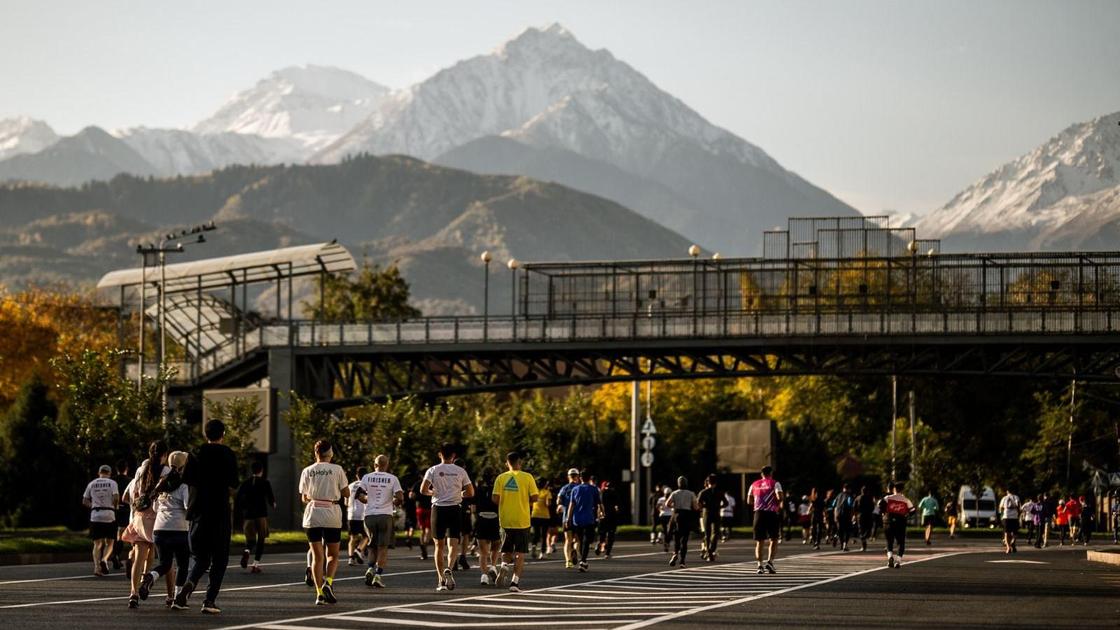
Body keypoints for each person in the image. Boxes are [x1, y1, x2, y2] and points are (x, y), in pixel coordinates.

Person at [175, 421, 239, 613]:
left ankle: (187, 588)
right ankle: (209, 601)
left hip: (198, 511)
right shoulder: (228, 453)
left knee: (201, 558)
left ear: (205, 435)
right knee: (220, 559)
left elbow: (186, 478)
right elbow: (234, 482)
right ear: (223, 434)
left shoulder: (196, 452)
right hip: (219, 510)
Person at [299, 440, 349, 606]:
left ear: (316, 453)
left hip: (313, 513)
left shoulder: (307, 470)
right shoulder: (337, 469)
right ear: (330, 453)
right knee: (332, 554)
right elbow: (346, 492)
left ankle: (319, 594)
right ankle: (328, 582)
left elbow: (304, 497)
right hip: (331, 512)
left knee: (317, 556)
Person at [420, 443, 474, 592]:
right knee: (453, 544)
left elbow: (423, 490)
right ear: (454, 456)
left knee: (439, 545)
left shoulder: (433, 470)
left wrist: (434, 493)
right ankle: (449, 568)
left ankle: (440, 579)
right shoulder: (460, 470)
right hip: (455, 509)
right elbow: (470, 492)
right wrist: (459, 494)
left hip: (438, 509)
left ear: (440, 454)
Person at [139, 451, 190, 608]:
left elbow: (154, 507)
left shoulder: (161, 483)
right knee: (182, 564)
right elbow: (188, 507)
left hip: (160, 529)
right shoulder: (183, 485)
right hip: (179, 529)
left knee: (165, 564)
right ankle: (177, 598)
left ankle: (151, 576)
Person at [124, 441, 168, 609]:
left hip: (140, 517)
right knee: (164, 558)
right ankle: (168, 594)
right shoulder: (167, 471)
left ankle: (133, 593)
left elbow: (133, 493)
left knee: (139, 557)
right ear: (164, 455)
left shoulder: (141, 470)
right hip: (159, 518)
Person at [493, 451, 538, 592]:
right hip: (522, 520)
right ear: (520, 462)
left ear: (507, 463)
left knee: (506, 549)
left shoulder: (501, 478)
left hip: (506, 520)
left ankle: (504, 565)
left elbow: (495, 499)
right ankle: (514, 583)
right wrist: (523, 499)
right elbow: (535, 497)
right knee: (520, 553)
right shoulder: (528, 477)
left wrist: (507, 498)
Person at [361, 455, 403, 589]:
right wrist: (392, 503)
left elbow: (360, 495)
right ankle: (378, 576)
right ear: (387, 465)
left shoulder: (366, 477)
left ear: (375, 465)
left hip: (369, 516)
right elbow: (400, 496)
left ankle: (369, 569)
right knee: (383, 547)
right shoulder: (392, 478)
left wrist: (369, 500)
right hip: (385, 515)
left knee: (372, 545)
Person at [237, 461, 276, 574]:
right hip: (261, 515)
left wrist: (244, 509)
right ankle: (255, 565)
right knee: (261, 539)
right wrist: (273, 503)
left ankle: (247, 550)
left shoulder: (245, 483)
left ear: (252, 470)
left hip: (248, 515)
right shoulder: (265, 482)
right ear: (261, 471)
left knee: (250, 540)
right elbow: (271, 498)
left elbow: (239, 497)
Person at [83, 464, 119, 577]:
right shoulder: (112, 483)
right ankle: (104, 559)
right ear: (109, 473)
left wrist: (93, 506)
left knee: (97, 544)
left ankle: (97, 568)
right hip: (109, 514)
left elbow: (84, 500)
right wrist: (115, 506)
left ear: (99, 473)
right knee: (110, 542)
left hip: (95, 515)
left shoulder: (92, 484)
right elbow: (116, 496)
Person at [748, 466, 784, 574]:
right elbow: (780, 497)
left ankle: (759, 565)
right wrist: (776, 501)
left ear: (761, 474)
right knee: (774, 539)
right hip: (771, 513)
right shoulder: (775, 483)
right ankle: (770, 562)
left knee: (760, 541)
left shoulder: (754, 484)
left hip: (758, 513)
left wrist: (759, 502)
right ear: (771, 473)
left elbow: (749, 500)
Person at [565, 469, 601, 572]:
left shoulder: (575, 489)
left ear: (580, 478)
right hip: (589, 519)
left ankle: (579, 556)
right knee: (587, 540)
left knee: (580, 540)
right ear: (590, 478)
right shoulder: (594, 489)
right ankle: (583, 561)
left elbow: (571, 505)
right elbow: (599, 503)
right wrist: (602, 512)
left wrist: (568, 518)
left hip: (577, 519)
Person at [473, 474, 502, 585]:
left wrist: (477, 520)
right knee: (496, 546)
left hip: (481, 519)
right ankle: (493, 566)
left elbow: (473, 508)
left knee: (483, 552)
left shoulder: (478, 490)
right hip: (494, 519)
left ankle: (484, 576)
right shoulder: (497, 491)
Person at [880, 481, 914, 568]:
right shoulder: (906, 500)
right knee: (901, 542)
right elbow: (913, 510)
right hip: (900, 522)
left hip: (888, 521)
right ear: (902, 490)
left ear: (894, 489)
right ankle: (898, 562)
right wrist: (907, 515)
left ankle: (890, 557)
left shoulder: (888, 498)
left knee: (889, 541)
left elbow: (880, 504)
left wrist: (883, 512)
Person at [667, 476, 699, 568]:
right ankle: (682, 561)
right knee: (684, 539)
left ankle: (675, 553)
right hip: (687, 515)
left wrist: (674, 506)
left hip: (676, 515)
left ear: (678, 484)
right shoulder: (691, 493)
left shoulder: (674, 493)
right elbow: (696, 507)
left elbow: (667, 504)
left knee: (676, 536)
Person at [697, 475, 726, 562]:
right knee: (715, 533)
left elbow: (698, 502)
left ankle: (709, 552)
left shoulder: (703, 492)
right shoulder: (720, 492)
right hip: (716, 513)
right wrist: (720, 506)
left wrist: (703, 507)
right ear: (716, 483)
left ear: (708, 482)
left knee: (707, 534)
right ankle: (711, 550)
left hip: (706, 513)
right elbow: (726, 503)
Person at [557, 468, 582, 567]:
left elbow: (558, 501)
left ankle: (568, 561)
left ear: (568, 477)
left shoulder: (564, 488)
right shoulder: (580, 488)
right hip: (578, 518)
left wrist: (561, 506)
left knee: (568, 540)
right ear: (578, 477)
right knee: (578, 539)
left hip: (566, 517)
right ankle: (575, 550)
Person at [111, 460, 131, 572]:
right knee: (121, 534)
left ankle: (113, 554)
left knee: (113, 534)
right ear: (126, 469)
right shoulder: (130, 481)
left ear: (116, 469)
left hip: (112, 510)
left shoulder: (112, 481)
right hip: (125, 509)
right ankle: (116, 554)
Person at [346, 467, 369, 566]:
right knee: (367, 537)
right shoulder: (367, 485)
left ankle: (351, 558)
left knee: (352, 537)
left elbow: (346, 502)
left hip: (351, 514)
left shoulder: (350, 485)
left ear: (357, 475)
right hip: (363, 514)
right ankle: (359, 550)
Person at [410, 477, 432, 561]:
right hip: (430, 508)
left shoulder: (417, 483)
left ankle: (422, 545)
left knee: (422, 529)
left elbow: (411, 495)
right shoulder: (432, 483)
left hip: (419, 508)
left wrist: (416, 499)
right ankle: (425, 545)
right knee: (428, 529)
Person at [597, 480, 621, 559]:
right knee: (611, 534)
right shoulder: (614, 492)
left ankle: (600, 543)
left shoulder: (601, 492)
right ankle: (607, 553)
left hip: (602, 515)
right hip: (612, 515)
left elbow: (598, 504)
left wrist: (599, 514)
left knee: (602, 532)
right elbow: (617, 506)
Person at [834, 484, 854, 552]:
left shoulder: (838, 495)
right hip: (846, 515)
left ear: (843, 488)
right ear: (848, 489)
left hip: (838, 514)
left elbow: (833, 504)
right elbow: (849, 504)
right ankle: (845, 544)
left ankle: (841, 543)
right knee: (847, 530)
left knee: (840, 530)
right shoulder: (849, 496)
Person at [999, 488, 1020, 553]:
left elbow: (1000, 507)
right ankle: (1013, 541)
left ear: (1007, 491)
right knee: (1015, 532)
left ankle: (1008, 548)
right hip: (1014, 517)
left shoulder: (1004, 498)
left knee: (1006, 533)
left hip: (1006, 517)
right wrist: (1018, 514)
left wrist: (1002, 515)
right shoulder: (1016, 497)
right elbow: (1018, 506)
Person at [856, 486, 877, 552]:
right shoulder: (870, 498)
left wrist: (854, 515)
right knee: (869, 528)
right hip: (868, 515)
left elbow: (854, 507)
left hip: (860, 515)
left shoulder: (858, 498)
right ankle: (864, 537)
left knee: (861, 530)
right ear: (867, 491)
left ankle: (863, 545)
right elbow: (873, 507)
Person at [656, 486, 674, 553]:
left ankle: (660, 537)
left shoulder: (661, 499)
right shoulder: (672, 498)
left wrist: (660, 511)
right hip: (670, 515)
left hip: (663, 515)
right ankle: (667, 544)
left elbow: (657, 507)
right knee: (669, 531)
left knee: (664, 528)